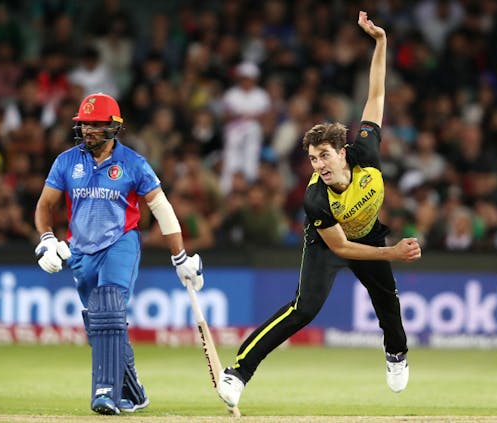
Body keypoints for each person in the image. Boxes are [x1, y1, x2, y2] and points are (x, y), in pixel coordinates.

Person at [217, 11, 422, 408]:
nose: (319, 166)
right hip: (330, 244)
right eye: (312, 159)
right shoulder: (316, 199)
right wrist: (393, 252)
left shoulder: (365, 149)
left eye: (324, 156)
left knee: (387, 301)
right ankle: (239, 371)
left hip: (369, 233)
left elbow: (376, 96)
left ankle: (396, 355)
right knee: (303, 309)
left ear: (342, 152)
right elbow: (343, 248)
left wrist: (380, 43)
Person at [33, 92, 204, 415]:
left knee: (109, 304)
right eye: (84, 124)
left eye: (96, 125)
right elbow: (45, 205)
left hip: (121, 242)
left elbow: (163, 210)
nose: (88, 131)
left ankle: (105, 392)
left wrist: (180, 257)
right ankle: (134, 392)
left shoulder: (133, 164)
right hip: (81, 250)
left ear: (114, 127)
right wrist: (45, 239)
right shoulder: (67, 161)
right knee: (100, 323)